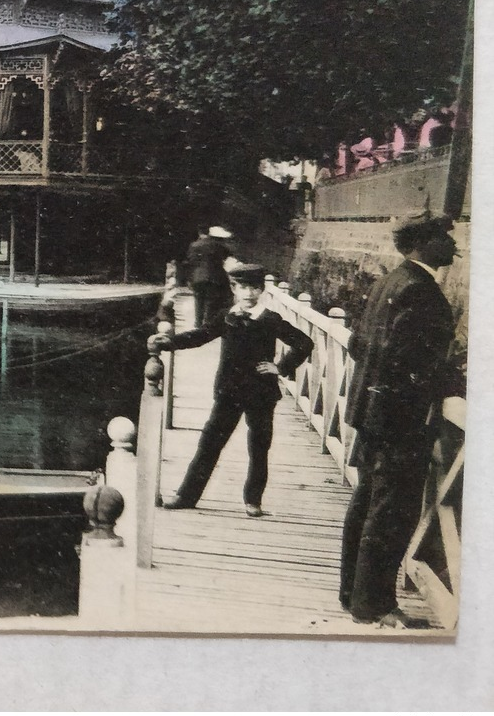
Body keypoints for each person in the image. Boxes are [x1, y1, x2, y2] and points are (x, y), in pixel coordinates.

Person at [339, 214, 462, 628]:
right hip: (400, 419)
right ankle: (373, 605)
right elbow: (409, 359)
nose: (452, 241)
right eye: (443, 236)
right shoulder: (421, 291)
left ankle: (351, 594)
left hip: (372, 412)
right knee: (392, 511)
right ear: (421, 244)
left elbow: (360, 344)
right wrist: (455, 383)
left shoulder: (389, 282)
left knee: (366, 502)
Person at [153, 262, 313, 517]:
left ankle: (253, 501)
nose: (249, 294)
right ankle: (186, 496)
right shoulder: (227, 317)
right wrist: (169, 342)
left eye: (254, 288)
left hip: (261, 394)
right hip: (229, 392)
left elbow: (304, 343)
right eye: (243, 288)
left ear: (261, 290)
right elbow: (200, 336)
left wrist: (280, 367)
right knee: (209, 443)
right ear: (234, 289)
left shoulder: (270, 319)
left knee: (259, 448)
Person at [184, 225, 235, 328]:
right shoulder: (219, 246)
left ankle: (198, 323)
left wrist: (190, 278)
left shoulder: (194, 245)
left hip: (197, 277)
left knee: (198, 300)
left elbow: (190, 262)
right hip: (214, 276)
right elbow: (227, 257)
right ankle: (208, 324)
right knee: (211, 301)